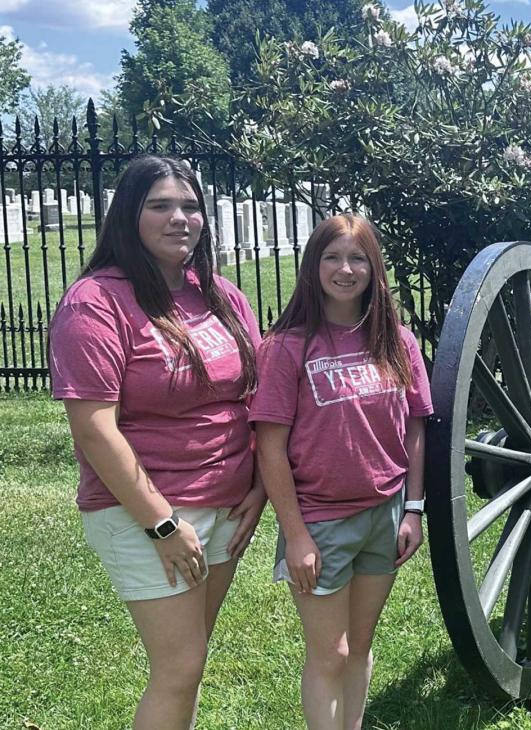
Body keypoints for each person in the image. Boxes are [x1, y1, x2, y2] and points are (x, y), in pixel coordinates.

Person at [48, 155, 265, 728]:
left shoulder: (219, 295)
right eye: (161, 206)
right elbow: (94, 427)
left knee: (189, 662)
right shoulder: (95, 302)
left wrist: (260, 487)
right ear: (128, 216)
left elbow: (261, 398)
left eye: (191, 206)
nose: (180, 219)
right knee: (179, 667)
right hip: (149, 511)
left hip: (227, 504)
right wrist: (162, 524)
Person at [250, 213, 432, 730]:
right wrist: (296, 535)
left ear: (373, 268)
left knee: (360, 648)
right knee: (329, 654)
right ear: (313, 267)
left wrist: (413, 509)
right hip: (321, 522)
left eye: (357, 258)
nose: (345, 269)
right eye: (332, 257)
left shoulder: (397, 341)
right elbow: (270, 446)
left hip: (385, 515)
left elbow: (417, 426)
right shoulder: (287, 346)